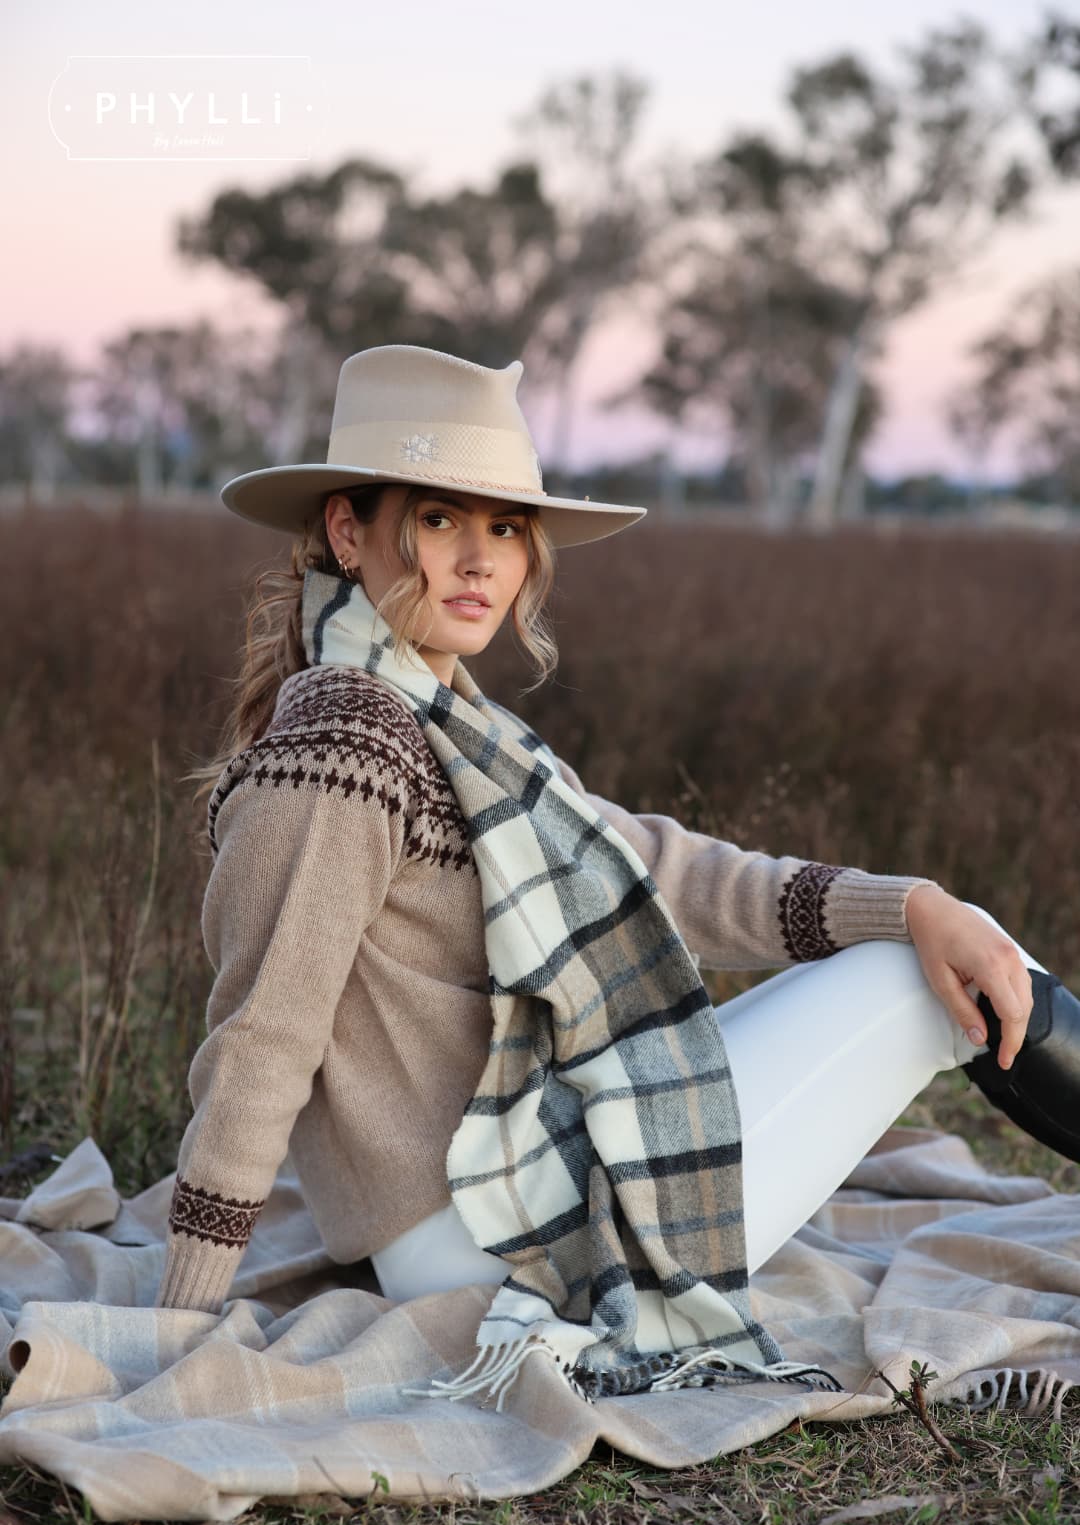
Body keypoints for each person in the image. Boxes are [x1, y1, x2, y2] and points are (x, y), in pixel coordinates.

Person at [155, 345, 1076, 1367]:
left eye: (504, 526)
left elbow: (672, 875)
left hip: (529, 1174)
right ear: (347, 530)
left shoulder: (455, 726)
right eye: (437, 518)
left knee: (931, 941)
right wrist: (180, 1325)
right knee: (915, 988)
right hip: (496, 1242)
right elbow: (260, 1039)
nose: (480, 561)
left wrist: (910, 900)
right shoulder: (341, 749)